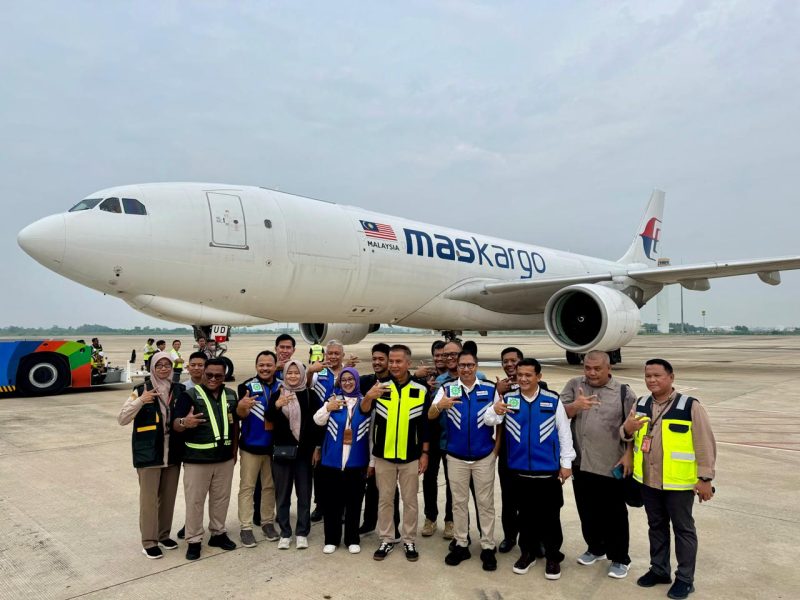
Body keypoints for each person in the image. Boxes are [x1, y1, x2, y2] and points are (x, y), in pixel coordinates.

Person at [622, 359, 716, 600]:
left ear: (671, 377)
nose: (651, 380)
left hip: (679, 484)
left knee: (683, 530)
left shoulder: (689, 406)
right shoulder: (640, 403)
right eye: (647, 376)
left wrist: (705, 478)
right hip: (649, 481)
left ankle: (685, 579)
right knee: (656, 527)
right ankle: (659, 570)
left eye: (657, 376)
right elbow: (626, 433)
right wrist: (628, 429)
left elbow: (704, 443)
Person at [486, 358, 576, 580]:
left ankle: (553, 556)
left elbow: (564, 434)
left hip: (547, 471)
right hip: (518, 471)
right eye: (520, 375)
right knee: (524, 516)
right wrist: (495, 410)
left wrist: (566, 464)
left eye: (528, 375)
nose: (523, 379)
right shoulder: (508, 399)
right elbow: (489, 420)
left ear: (539, 377)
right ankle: (528, 553)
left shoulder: (552, 400)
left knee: (550, 516)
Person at [560, 350, 638, 578]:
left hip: (610, 462)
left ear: (609, 368)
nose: (591, 373)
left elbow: (633, 425)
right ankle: (595, 548)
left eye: (597, 369)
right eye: (587, 368)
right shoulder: (574, 385)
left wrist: (629, 453)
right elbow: (559, 414)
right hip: (581, 463)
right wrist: (576, 406)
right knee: (587, 510)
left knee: (614, 514)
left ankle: (620, 558)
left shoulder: (623, 392)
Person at [430, 349, 500, 571]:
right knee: (459, 502)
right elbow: (430, 414)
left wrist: (494, 451)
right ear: (457, 368)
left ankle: (488, 546)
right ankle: (461, 543)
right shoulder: (447, 389)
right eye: (462, 366)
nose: (466, 369)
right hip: (456, 456)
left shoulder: (490, 389)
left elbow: (499, 419)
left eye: (470, 365)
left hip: (483, 456)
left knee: (485, 503)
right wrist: (439, 406)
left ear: (476, 366)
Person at [361, 344, 430, 562]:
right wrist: (369, 397)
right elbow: (363, 411)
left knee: (410, 500)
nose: (394, 365)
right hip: (384, 456)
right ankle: (387, 539)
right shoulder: (380, 387)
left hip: (411, 456)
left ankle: (409, 539)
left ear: (408, 363)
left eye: (398, 361)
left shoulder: (420, 389)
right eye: (391, 361)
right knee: (385, 500)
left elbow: (425, 425)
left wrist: (425, 453)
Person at [172, 358, 243, 560]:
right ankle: (193, 540)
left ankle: (218, 533)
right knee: (195, 502)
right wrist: (186, 422)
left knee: (221, 499)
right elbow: (175, 424)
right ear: (203, 373)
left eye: (218, 376)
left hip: (224, 459)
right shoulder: (189, 395)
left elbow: (235, 424)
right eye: (209, 374)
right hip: (197, 460)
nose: (213, 378)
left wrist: (234, 452)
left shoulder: (230, 395)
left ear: (224, 376)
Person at [117, 352, 183, 558]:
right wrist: (141, 401)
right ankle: (149, 541)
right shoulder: (141, 390)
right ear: (152, 368)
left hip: (172, 453)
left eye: (167, 365)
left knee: (168, 498)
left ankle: (163, 535)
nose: (164, 368)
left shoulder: (178, 390)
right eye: (159, 365)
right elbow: (122, 418)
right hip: (149, 454)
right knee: (149, 500)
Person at [266, 359, 323, 550]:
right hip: (283, 452)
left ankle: (301, 532)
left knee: (304, 494)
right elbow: (268, 419)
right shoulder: (278, 393)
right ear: (284, 374)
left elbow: (318, 423)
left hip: (304, 453)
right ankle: (285, 532)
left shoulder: (310, 395)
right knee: (282, 495)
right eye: (289, 373)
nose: (292, 376)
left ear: (301, 374)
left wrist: (317, 447)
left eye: (296, 373)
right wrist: (276, 405)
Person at [313, 367, 371, 554]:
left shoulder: (365, 403)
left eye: (350, 379)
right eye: (344, 380)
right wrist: (327, 408)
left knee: (354, 503)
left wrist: (372, 462)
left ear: (356, 381)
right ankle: (331, 539)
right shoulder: (334, 401)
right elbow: (318, 420)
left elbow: (370, 436)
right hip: (332, 462)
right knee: (332, 504)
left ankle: (352, 538)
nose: (347, 382)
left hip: (357, 462)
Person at [236, 351, 282, 548]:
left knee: (270, 487)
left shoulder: (283, 386)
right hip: (251, 446)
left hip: (273, 447)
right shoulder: (246, 386)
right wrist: (242, 406)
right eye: (261, 365)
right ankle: (246, 527)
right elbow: (240, 414)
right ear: (256, 367)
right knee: (247, 487)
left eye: (269, 365)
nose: (265, 368)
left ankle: (267, 523)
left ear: (275, 366)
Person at [358, 343, 401, 540]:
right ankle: (368, 522)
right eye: (374, 358)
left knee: (389, 488)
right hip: (366, 440)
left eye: (381, 359)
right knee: (369, 484)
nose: (377, 362)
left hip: (388, 441)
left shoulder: (396, 384)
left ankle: (395, 526)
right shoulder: (366, 381)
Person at [308, 339, 347, 522]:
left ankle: (342, 504)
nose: (333, 356)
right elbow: (307, 386)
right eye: (330, 353)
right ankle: (320, 504)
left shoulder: (348, 372)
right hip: (321, 423)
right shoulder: (319, 371)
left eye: (336, 353)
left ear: (342, 355)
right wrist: (309, 371)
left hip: (341, 423)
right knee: (319, 467)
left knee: (342, 465)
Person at [176, 351, 207, 541]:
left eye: (200, 365)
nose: (196, 368)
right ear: (187, 367)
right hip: (188, 447)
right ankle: (191, 524)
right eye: (193, 365)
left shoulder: (214, 386)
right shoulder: (182, 389)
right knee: (193, 493)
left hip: (208, 448)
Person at [495, 346, 523, 553]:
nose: (509, 364)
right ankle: (509, 536)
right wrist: (498, 393)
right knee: (509, 498)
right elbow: (494, 420)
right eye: (505, 361)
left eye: (513, 360)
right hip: (507, 451)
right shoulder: (499, 389)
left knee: (529, 500)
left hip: (528, 452)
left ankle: (533, 538)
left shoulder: (539, 386)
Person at [421, 340, 449, 537]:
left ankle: (450, 520)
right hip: (430, 435)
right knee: (429, 477)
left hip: (448, 435)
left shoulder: (452, 381)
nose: (440, 359)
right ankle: (430, 518)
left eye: (443, 355)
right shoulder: (427, 379)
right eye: (436, 355)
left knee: (451, 479)